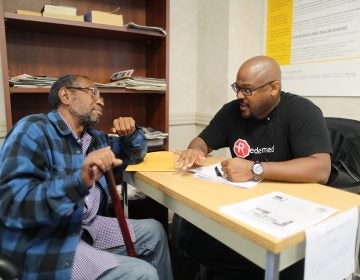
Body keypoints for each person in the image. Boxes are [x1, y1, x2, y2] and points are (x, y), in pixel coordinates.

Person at [0, 74, 173, 280]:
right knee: (142, 274)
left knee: (154, 231)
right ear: (66, 95)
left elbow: (134, 155)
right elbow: (12, 206)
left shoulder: (95, 138)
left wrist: (132, 133)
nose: (101, 100)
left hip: (86, 227)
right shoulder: (33, 129)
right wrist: (78, 181)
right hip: (48, 239)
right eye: (93, 93)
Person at [175, 55, 332, 279]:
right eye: (237, 88)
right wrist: (195, 150)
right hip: (243, 205)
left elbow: (320, 169)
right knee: (190, 234)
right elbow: (203, 141)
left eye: (247, 90)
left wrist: (254, 169)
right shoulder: (232, 111)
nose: (240, 96)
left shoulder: (302, 111)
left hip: (287, 210)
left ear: (274, 88)